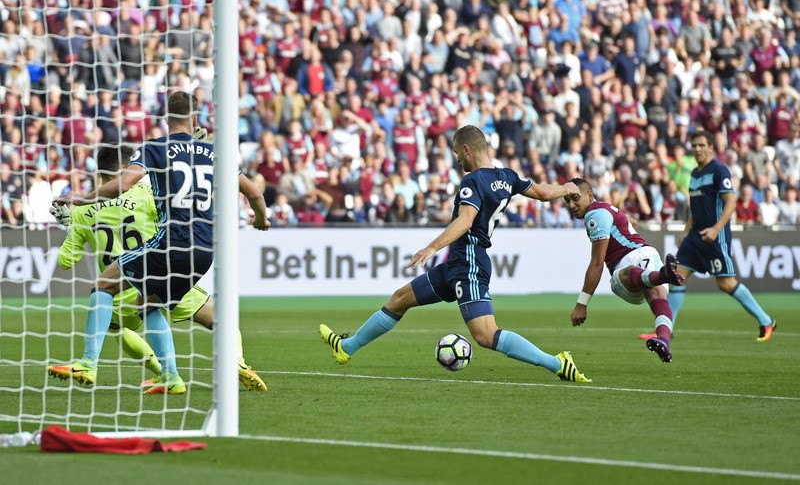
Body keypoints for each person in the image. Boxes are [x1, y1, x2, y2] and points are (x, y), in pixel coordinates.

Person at [319, 125, 591, 383]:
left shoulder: (471, 181)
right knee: (400, 298)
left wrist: (432, 247)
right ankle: (347, 347)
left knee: (485, 335)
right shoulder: (508, 177)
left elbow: (465, 221)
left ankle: (557, 363)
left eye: (457, 153)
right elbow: (544, 193)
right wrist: (566, 188)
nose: (457, 158)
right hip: (456, 265)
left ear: (467, 149)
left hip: (469, 261)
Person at [49, 91, 270, 394]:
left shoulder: (155, 148)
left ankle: (88, 363)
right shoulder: (214, 151)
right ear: (195, 118)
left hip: (170, 243)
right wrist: (261, 220)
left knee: (102, 285)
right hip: (205, 250)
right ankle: (174, 376)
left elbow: (124, 184)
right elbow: (255, 194)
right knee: (149, 302)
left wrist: (81, 199)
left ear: (166, 120)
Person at [665, 130, 776, 342]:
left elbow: (731, 202)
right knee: (677, 278)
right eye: (694, 146)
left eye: (701, 145)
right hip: (695, 236)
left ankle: (766, 320)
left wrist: (716, 229)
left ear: (710, 147)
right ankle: (666, 330)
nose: (697, 149)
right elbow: (695, 208)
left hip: (715, 236)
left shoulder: (719, 170)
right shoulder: (695, 175)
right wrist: (686, 231)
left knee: (725, 284)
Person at [564, 178, 685, 363]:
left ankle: (663, 338)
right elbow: (633, 222)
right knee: (657, 295)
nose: (571, 205)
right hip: (646, 254)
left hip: (624, 267)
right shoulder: (606, 208)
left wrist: (582, 304)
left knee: (642, 283)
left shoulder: (594, 215)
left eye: (575, 198)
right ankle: (662, 279)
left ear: (589, 195)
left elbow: (597, 263)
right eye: (567, 200)